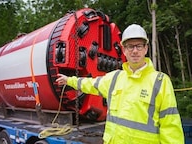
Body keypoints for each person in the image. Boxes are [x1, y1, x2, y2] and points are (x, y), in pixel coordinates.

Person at [56, 24, 184, 144]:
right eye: (130, 46)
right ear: (124, 50)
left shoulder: (160, 82)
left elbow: (171, 126)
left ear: (146, 48)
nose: (134, 51)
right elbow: (90, 83)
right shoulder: (115, 78)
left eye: (139, 46)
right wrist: (69, 80)